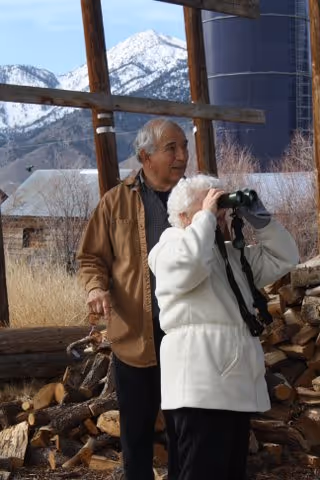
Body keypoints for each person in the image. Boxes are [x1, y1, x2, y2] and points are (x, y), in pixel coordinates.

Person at [148, 174, 300, 480]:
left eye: (219, 206)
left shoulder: (230, 255)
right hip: (200, 388)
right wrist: (205, 216)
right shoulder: (168, 247)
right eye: (208, 206)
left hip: (232, 385)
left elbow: (286, 257)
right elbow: (188, 267)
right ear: (183, 216)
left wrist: (260, 219)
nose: (216, 214)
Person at [76, 118, 189, 480]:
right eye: (172, 148)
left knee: (185, 429)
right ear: (145, 155)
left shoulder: (195, 199)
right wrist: (96, 288)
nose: (182, 156)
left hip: (186, 335)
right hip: (135, 335)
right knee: (137, 432)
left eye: (184, 147)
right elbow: (91, 257)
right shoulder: (115, 202)